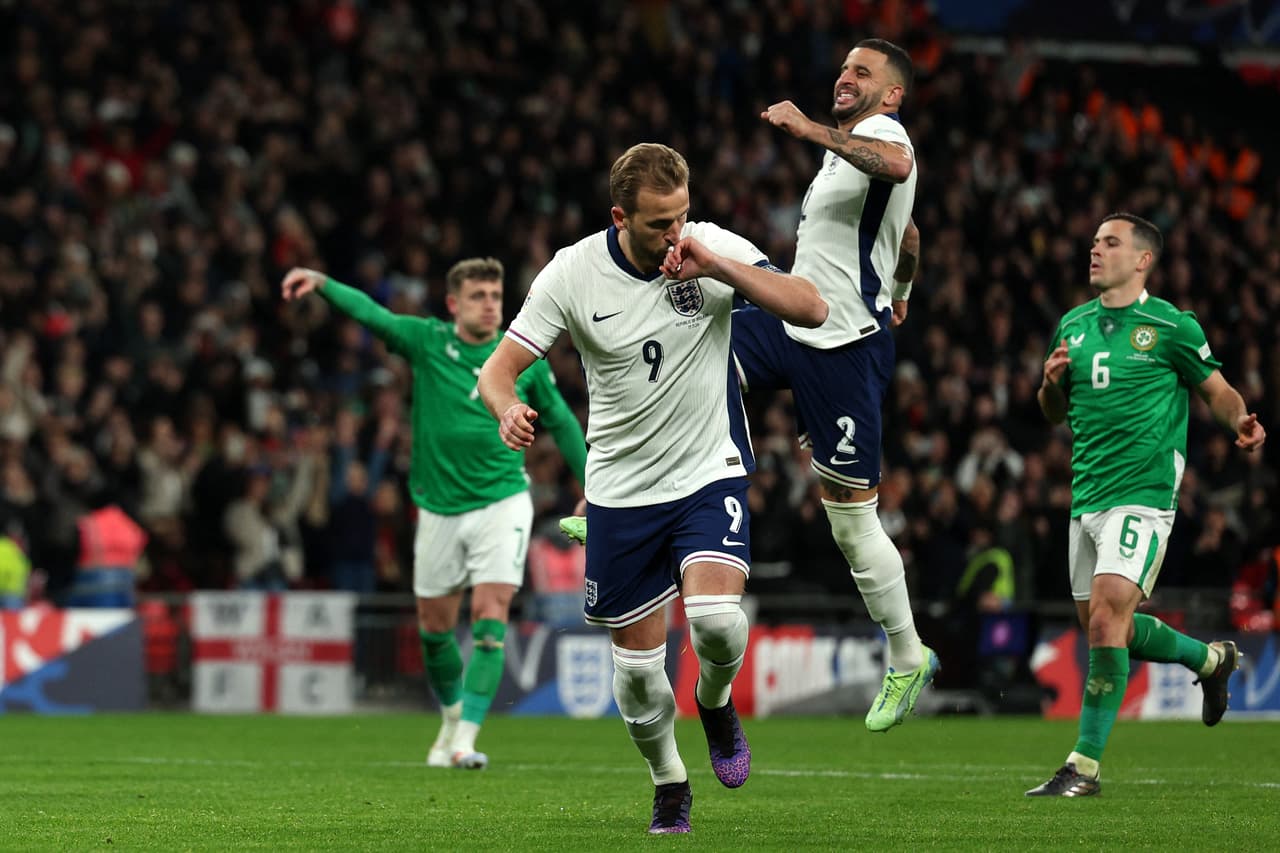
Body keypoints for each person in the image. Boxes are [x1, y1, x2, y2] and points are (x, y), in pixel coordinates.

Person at [477, 143, 827, 834]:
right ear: (619, 217)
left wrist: (718, 264)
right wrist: (507, 408)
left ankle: (716, 700)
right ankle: (670, 780)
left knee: (717, 621)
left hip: (707, 470)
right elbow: (498, 370)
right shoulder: (573, 273)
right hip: (621, 489)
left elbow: (811, 307)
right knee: (637, 675)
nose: (676, 234)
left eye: (683, 217)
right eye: (660, 224)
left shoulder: (709, 248)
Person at [281, 257, 587, 771]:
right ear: (453, 305)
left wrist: (592, 488)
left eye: (495, 294)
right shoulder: (427, 341)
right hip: (439, 508)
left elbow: (560, 421)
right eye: (478, 296)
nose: (490, 304)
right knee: (434, 631)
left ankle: (466, 738)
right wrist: (323, 282)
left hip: (502, 500)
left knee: (490, 617)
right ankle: (450, 721)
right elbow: (373, 315)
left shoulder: (523, 359)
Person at [1026, 212, 1266, 797]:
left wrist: (1240, 419)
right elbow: (1052, 412)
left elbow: (1216, 388)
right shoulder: (1073, 325)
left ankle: (1082, 768)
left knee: (1109, 616)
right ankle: (1211, 662)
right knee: (1107, 630)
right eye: (1093, 242)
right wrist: (1051, 384)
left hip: (1145, 495)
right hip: (1086, 499)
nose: (1095, 250)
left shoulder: (1170, 326)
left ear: (1142, 260)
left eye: (1110, 243)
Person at [739, 37, 938, 731]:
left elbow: (898, 163)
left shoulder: (882, 134)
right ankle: (621, 488)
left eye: (864, 71)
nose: (846, 77)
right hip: (796, 318)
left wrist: (808, 127)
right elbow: (908, 237)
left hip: (846, 347)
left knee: (851, 525)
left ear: (892, 94)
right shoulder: (845, 151)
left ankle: (909, 655)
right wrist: (905, 288)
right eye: (845, 67)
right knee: (699, 355)